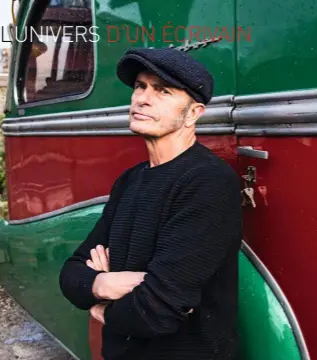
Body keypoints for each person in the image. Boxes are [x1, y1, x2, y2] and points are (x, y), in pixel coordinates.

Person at [59, 47, 243, 360]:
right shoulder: (130, 180)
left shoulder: (207, 181)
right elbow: (70, 274)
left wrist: (101, 306)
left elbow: (158, 310)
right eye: (140, 86)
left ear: (194, 113)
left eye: (163, 91)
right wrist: (105, 282)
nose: (143, 98)